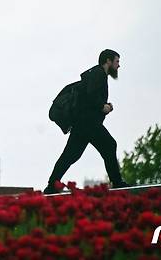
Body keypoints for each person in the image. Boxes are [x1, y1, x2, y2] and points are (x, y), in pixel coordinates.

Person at [43, 49, 130, 194]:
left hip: (82, 124)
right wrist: (103, 106)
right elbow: (91, 96)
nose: (118, 66)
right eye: (117, 61)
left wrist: (104, 106)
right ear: (108, 61)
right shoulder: (98, 74)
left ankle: (52, 185)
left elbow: (89, 96)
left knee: (71, 155)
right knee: (109, 145)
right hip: (88, 124)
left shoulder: (96, 74)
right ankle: (117, 182)